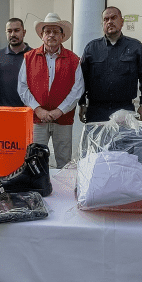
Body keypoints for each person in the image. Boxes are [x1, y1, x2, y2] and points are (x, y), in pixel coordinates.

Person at [18, 13, 85, 168]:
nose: (51, 35)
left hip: (63, 119)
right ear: (42, 35)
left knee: (64, 159)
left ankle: (64, 190)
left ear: (62, 36)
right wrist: (38, 109)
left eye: (56, 32)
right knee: (35, 158)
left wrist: (60, 110)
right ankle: (37, 187)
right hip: (37, 119)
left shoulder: (73, 59)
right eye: (48, 32)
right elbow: (22, 87)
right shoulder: (29, 58)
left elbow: (77, 89)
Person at [79, 6, 142, 123]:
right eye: (106, 19)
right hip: (96, 111)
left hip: (125, 109)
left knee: (124, 141)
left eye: (113, 18)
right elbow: (82, 78)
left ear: (122, 22)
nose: (110, 22)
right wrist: (82, 103)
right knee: (97, 141)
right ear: (102, 24)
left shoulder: (135, 47)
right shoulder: (91, 48)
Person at [0, 17, 31, 107]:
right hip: (2, 110)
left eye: (17, 30)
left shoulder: (34, 55)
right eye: (9, 31)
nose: (13, 34)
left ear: (24, 32)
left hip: (27, 110)